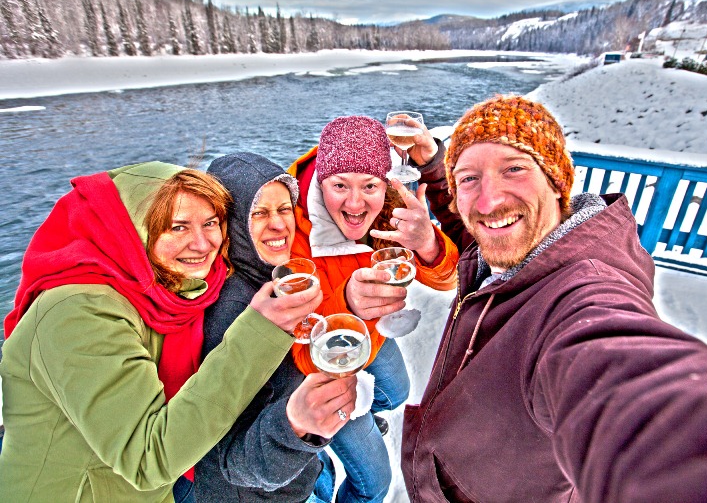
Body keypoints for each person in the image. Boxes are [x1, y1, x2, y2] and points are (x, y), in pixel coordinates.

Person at [400, 95, 707, 502]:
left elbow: (621, 377)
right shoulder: (520, 242)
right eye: (469, 179)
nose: (487, 201)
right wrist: (434, 163)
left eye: (514, 169)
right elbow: (471, 228)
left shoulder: (583, 295)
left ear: (557, 182)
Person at [0, 161, 339, 502]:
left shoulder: (171, 292)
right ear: (131, 231)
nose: (203, 243)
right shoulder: (76, 314)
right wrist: (262, 331)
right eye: (177, 227)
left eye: (211, 223)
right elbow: (149, 457)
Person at [288, 115, 459, 503]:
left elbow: (448, 280)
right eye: (339, 186)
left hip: (374, 338)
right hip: (321, 368)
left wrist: (429, 244)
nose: (354, 203)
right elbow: (295, 341)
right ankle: (319, 457)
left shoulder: (392, 208)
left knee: (396, 394)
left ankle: (349, 424)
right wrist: (345, 303)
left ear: (386, 184)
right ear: (319, 183)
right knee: (374, 485)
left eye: (369, 186)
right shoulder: (290, 222)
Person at [196, 152, 357, 502]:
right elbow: (232, 463)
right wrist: (296, 425)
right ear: (232, 221)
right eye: (259, 213)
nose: (279, 225)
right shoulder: (232, 313)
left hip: (302, 470)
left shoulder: (269, 280)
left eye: (284, 209)